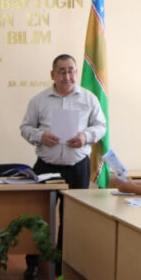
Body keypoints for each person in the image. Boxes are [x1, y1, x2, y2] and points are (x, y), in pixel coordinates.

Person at [20, 54, 107, 188]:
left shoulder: (90, 99)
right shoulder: (38, 100)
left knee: (76, 203)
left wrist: (85, 136)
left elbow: (101, 126)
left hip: (78, 167)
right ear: (52, 75)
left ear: (76, 73)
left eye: (71, 71)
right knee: (43, 202)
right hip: (46, 167)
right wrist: (41, 136)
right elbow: (25, 128)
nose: (67, 77)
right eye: (62, 72)